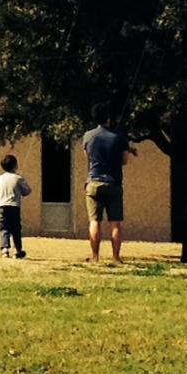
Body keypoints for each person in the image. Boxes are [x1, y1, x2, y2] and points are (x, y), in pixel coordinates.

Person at [83, 102, 133, 263]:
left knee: (94, 221)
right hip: (114, 183)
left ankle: (95, 256)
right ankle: (116, 257)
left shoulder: (88, 136)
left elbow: (88, 157)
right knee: (115, 222)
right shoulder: (119, 137)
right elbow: (125, 160)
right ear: (108, 118)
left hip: (94, 182)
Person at [0, 155, 32, 259]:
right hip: (14, 207)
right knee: (16, 229)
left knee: (4, 228)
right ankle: (18, 250)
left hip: (1, 207)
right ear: (15, 165)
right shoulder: (18, 178)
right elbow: (27, 191)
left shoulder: (0, 179)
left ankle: (5, 249)